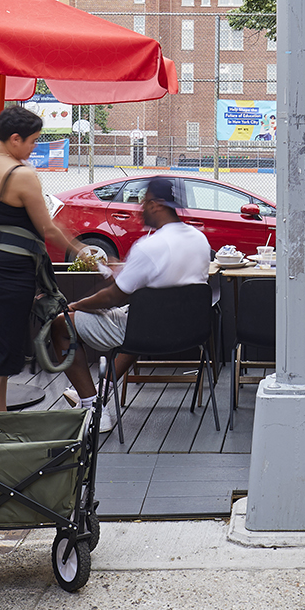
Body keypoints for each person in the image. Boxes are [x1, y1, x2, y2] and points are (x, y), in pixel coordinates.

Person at [49, 176, 212, 424]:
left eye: (143, 202)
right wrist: (124, 273)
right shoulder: (200, 240)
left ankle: (94, 409)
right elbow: (166, 282)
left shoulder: (149, 246)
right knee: (138, 316)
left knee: (61, 325)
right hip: (191, 331)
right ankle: (103, 390)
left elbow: (113, 297)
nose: (140, 208)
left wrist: (76, 306)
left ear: (156, 204)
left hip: (150, 332)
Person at [0, 105, 93, 413]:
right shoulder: (22, 175)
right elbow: (47, 227)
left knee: (2, 348)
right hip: (11, 269)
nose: (34, 147)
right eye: (33, 141)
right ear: (14, 139)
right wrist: (82, 251)